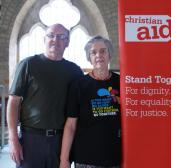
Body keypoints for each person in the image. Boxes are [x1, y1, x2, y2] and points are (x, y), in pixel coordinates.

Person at [7, 23, 83, 168]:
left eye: (61, 37)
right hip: (31, 140)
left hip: (61, 142)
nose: (56, 40)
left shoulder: (74, 71)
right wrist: (13, 139)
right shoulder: (28, 64)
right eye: (51, 35)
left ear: (67, 42)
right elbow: (13, 102)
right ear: (44, 39)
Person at [60, 36, 121, 168]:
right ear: (89, 58)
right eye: (93, 52)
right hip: (86, 158)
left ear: (110, 54)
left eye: (103, 51)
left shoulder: (121, 83)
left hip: (114, 157)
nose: (98, 55)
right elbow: (70, 125)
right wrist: (64, 160)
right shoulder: (78, 85)